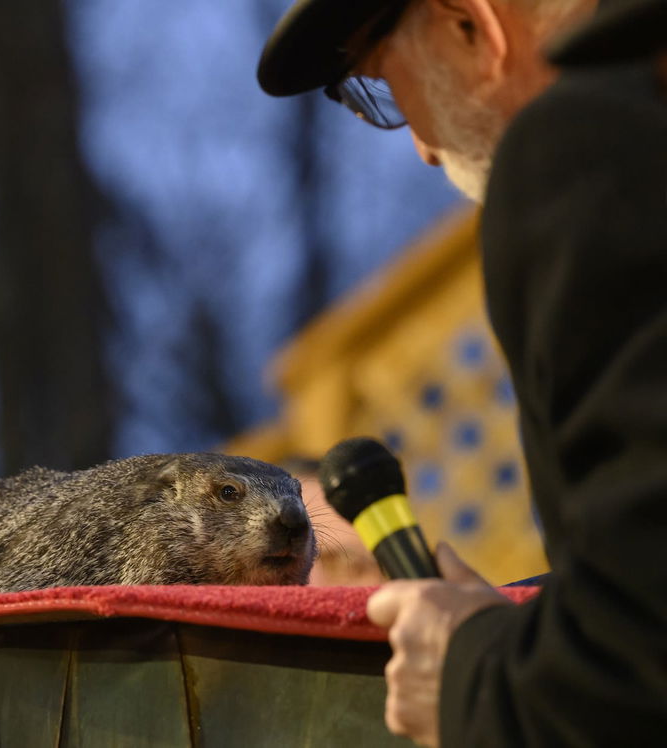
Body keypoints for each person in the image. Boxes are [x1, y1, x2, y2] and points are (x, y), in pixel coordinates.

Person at [258, 0, 667, 744]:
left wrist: (470, 672)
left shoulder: (586, 146)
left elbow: (639, 654)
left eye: (379, 82)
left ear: (467, 24)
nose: (419, 147)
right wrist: (525, 625)